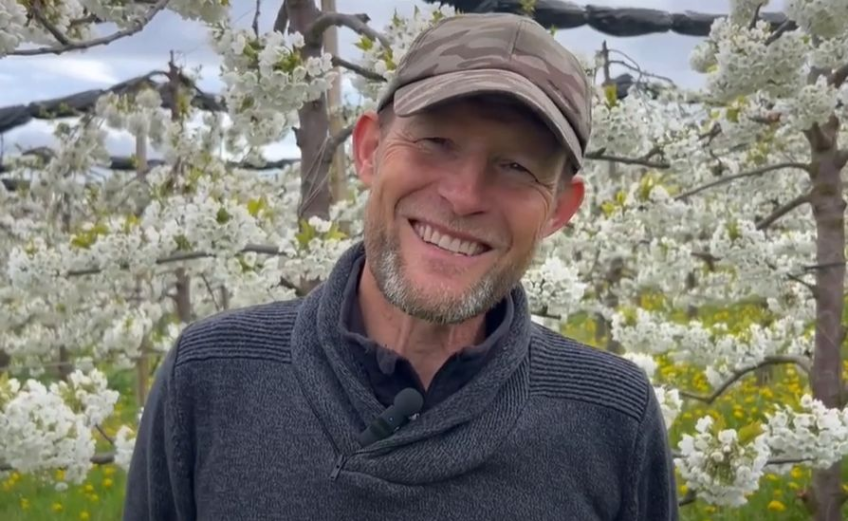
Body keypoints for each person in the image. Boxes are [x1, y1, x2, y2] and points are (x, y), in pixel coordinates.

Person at [122, 11, 679, 521]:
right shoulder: (211, 376)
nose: (464, 196)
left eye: (515, 167)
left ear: (559, 209)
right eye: (436, 141)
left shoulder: (611, 417)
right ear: (368, 150)